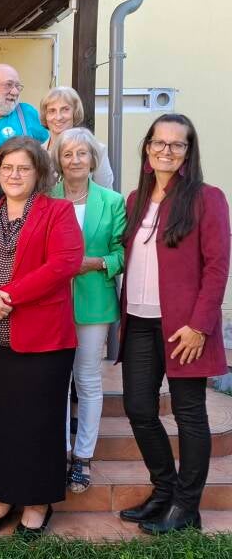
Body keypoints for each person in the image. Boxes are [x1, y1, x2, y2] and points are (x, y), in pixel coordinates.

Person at [0, 137, 82, 537]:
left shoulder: (57, 212)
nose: (14, 175)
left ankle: (36, 501)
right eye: (7, 167)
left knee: (38, 424)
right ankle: (1, 496)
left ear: (39, 173)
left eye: (24, 168)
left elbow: (64, 263)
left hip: (43, 340)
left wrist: (5, 297)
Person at [118, 114, 230, 534]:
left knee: (190, 416)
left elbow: (218, 268)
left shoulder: (207, 198)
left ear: (188, 152)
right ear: (147, 148)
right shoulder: (135, 199)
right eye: (158, 142)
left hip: (186, 329)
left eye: (176, 144)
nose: (166, 150)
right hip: (140, 322)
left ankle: (187, 507)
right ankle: (164, 491)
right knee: (139, 409)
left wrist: (200, 326)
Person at [49, 128, 126, 493]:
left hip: (94, 301)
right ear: (58, 161)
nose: (75, 160)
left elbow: (124, 254)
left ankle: (82, 457)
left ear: (93, 159)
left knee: (88, 379)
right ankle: (59, 451)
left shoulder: (112, 201)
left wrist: (95, 262)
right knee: (56, 379)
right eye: (68, 154)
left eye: (82, 153)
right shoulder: (46, 198)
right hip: (50, 301)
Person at [40, 86, 113, 188]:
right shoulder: (37, 153)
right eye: (52, 111)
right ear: (45, 115)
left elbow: (107, 198)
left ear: (75, 112)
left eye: (65, 109)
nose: (58, 117)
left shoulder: (97, 150)